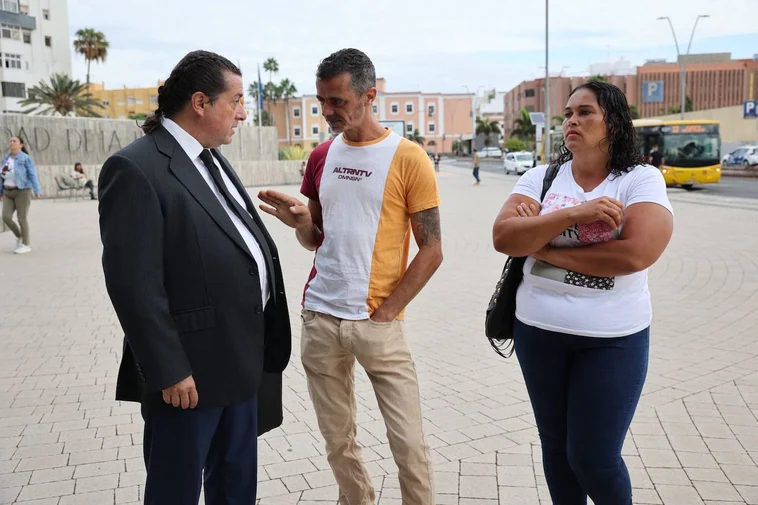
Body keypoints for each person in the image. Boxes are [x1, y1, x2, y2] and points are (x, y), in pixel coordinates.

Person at [97, 50, 291, 505]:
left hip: (240, 363)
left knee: (236, 483)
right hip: (188, 378)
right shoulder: (135, 168)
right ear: (200, 102)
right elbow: (133, 285)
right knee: (175, 490)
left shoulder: (211, 157)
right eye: (237, 100)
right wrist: (169, 369)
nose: (244, 112)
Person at [258, 48, 442, 505]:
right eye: (322, 100)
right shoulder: (321, 156)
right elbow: (316, 238)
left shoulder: (409, 158)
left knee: (408, 446)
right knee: (338, 442)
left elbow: (432, 249)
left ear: (370, 95)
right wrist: (301, 224)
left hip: (377, 323)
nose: (327, 111)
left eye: (338, 100)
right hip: (320, 319)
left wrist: (388, 312)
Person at [492, 81, 674, 505]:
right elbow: (504, 237)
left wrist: (544, 247)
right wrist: (577, 213)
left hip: (613, 341)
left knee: (594, 457)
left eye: (585, 112)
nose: (572, 120)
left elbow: (636, 254)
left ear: (612, 121)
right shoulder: (541, 177)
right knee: (556, 449)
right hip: (538, 334)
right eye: (568, 114)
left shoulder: (639, 180)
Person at [1, 136, 42, 254]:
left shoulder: (25, 158)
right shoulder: (6, 158)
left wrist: (37, 190)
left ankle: (26, 244)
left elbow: (32, 174)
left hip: (22, 191)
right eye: (10, 141)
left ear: (21, 145)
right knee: (6, 217)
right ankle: (20, 236)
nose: (11, 143)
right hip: (7, 191)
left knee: (21, 218)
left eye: (14, 141)